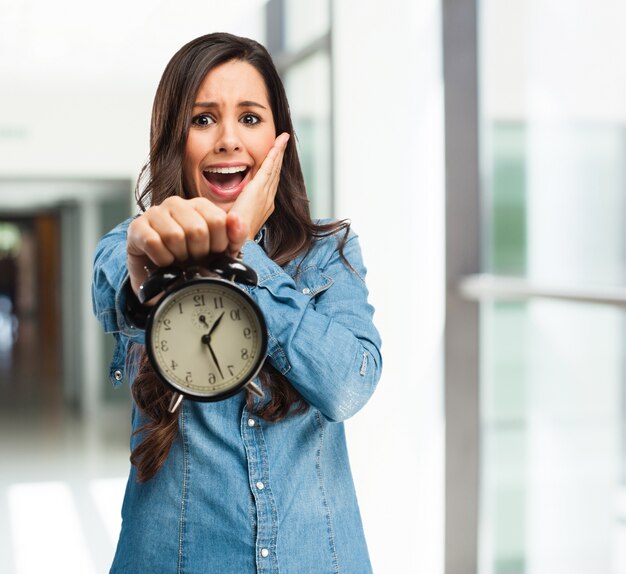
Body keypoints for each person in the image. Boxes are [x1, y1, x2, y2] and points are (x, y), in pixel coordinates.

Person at [92, 32, 382, 574]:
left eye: (250, 117)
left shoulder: (329, 254)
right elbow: (116, 288)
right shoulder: (134, 242)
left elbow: (349, 385)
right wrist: (176, 257)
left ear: (279, 138)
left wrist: (241, 251)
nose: (228, 139)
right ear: (174, 139)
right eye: (203, 119)